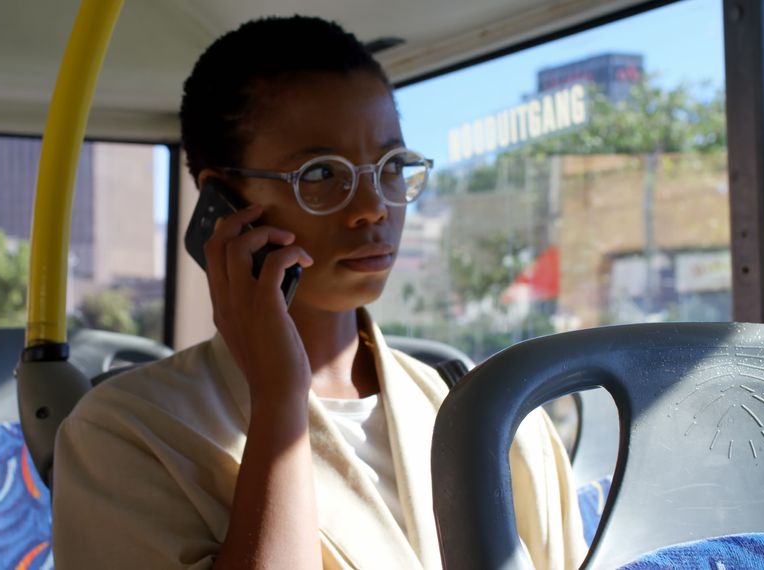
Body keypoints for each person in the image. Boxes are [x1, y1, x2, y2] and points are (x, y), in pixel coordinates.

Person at [53, 16, 586, 569]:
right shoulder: (121, 433)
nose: (373, 206)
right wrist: (280, 399)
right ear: (222, 202)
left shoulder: (495, 417)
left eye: (392, 166)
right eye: (320, 175)